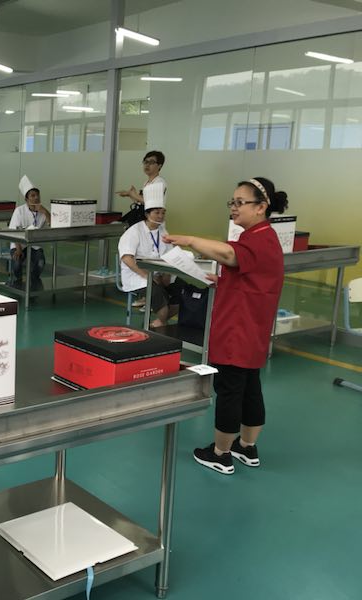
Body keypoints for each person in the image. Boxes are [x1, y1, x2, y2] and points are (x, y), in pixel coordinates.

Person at [164, 177, 287, 475]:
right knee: (250, 387)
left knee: (230, 389)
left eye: (240, 202)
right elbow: (252, 277)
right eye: (232, 202)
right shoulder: (264, 237)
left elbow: (230, 255)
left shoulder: (258, 238)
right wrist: (224, 281)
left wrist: (191, 240)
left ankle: (220, 454)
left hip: (238, 329)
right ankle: (247, 447)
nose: (233, 207)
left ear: (260, 207)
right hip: (253, 329)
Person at [117, 181, 183, 328]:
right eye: (157, 213)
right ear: (147, 214)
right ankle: (158, 323)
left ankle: (157, 323)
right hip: (138, 276)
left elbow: (170, 254)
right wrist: (148, 276)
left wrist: (166, 274)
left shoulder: (163, 231)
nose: (160, 216)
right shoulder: (134, 232)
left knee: (182, 292)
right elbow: (127, 258)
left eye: (163, 213)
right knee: (159, 297)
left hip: (159, 274)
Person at [8, 175, 51, 290]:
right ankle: (17, 281)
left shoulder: (43, 211)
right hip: (19, 244)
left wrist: (45, 212)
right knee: (17, 264)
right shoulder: (19, 211)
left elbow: (52, 224)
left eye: (37, 195)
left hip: (34, 245)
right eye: (32, 195)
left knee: (40, 262)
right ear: (26, 199)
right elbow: (14, 231)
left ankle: (34, 279)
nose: (36, 198)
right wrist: (18, 249)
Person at [117, 150, 167, 227]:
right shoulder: (146, 182)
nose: (147, 165)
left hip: (153, 223)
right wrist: (130, 195)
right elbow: (141, 203)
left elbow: (151, 203)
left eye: (151, 162)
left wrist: (133, 194)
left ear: (159, 166)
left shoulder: (159, 182)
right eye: (146, 162)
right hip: (144, 219)